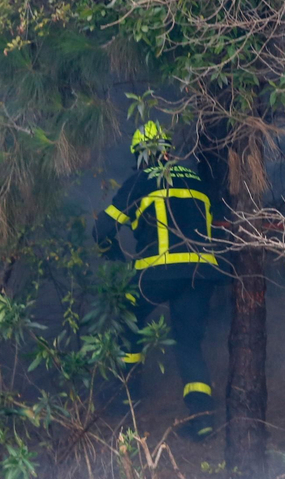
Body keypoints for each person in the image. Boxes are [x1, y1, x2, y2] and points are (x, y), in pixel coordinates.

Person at [92, 120, 223, 440]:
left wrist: (118, 264)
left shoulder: (138, 182)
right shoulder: (197, 179)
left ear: (140, 156)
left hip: (156, 275)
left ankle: (127, 399)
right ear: (168, 152)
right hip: (199, 274)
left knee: (127, 325)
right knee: (189, 344)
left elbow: (102, 231)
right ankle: (202, 418)